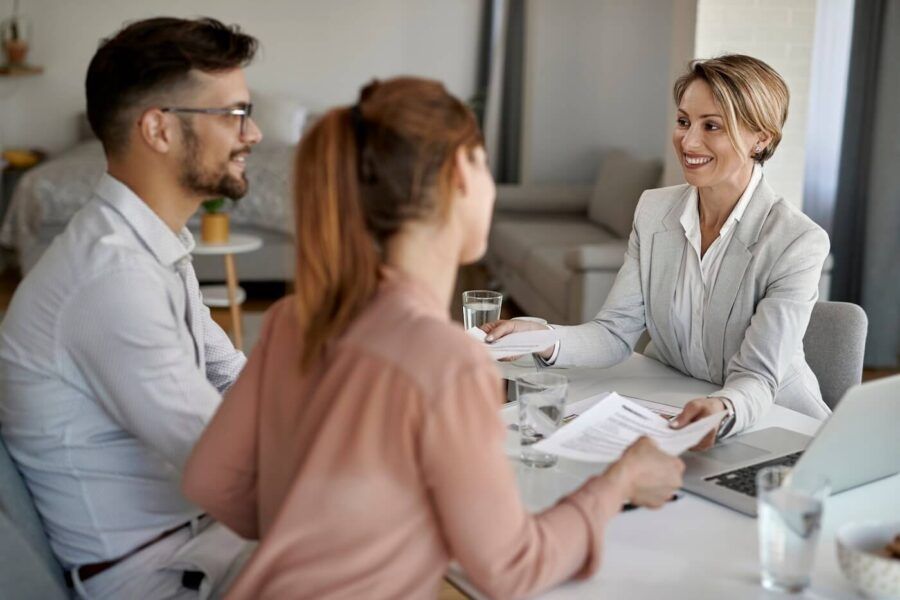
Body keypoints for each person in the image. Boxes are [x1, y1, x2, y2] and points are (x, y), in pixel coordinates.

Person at [182, 77, 684, 599]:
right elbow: (513, 568)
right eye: (485, 164)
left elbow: (211, 481)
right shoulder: (447, 360)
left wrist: (318, 539)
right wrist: (618, 483)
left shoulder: (295, 317)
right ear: (460, 174)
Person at [0, 17, 262, 598]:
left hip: (202, 540)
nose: (254, 133)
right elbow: (233, 472)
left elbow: (233, 379)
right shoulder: (109, 281)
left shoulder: (150, 248)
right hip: (161, 577)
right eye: (235, 113)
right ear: (158, 129)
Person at [484, 54, 831, 450]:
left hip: (772, 423)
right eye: (684, 121)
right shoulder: (654, 210)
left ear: (761, 138)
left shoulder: (796, 241)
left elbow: (757, 377)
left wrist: (722, 408)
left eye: (712, 126)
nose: (689, 141)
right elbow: (615, 332)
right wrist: (543, 338)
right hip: (672, 402)